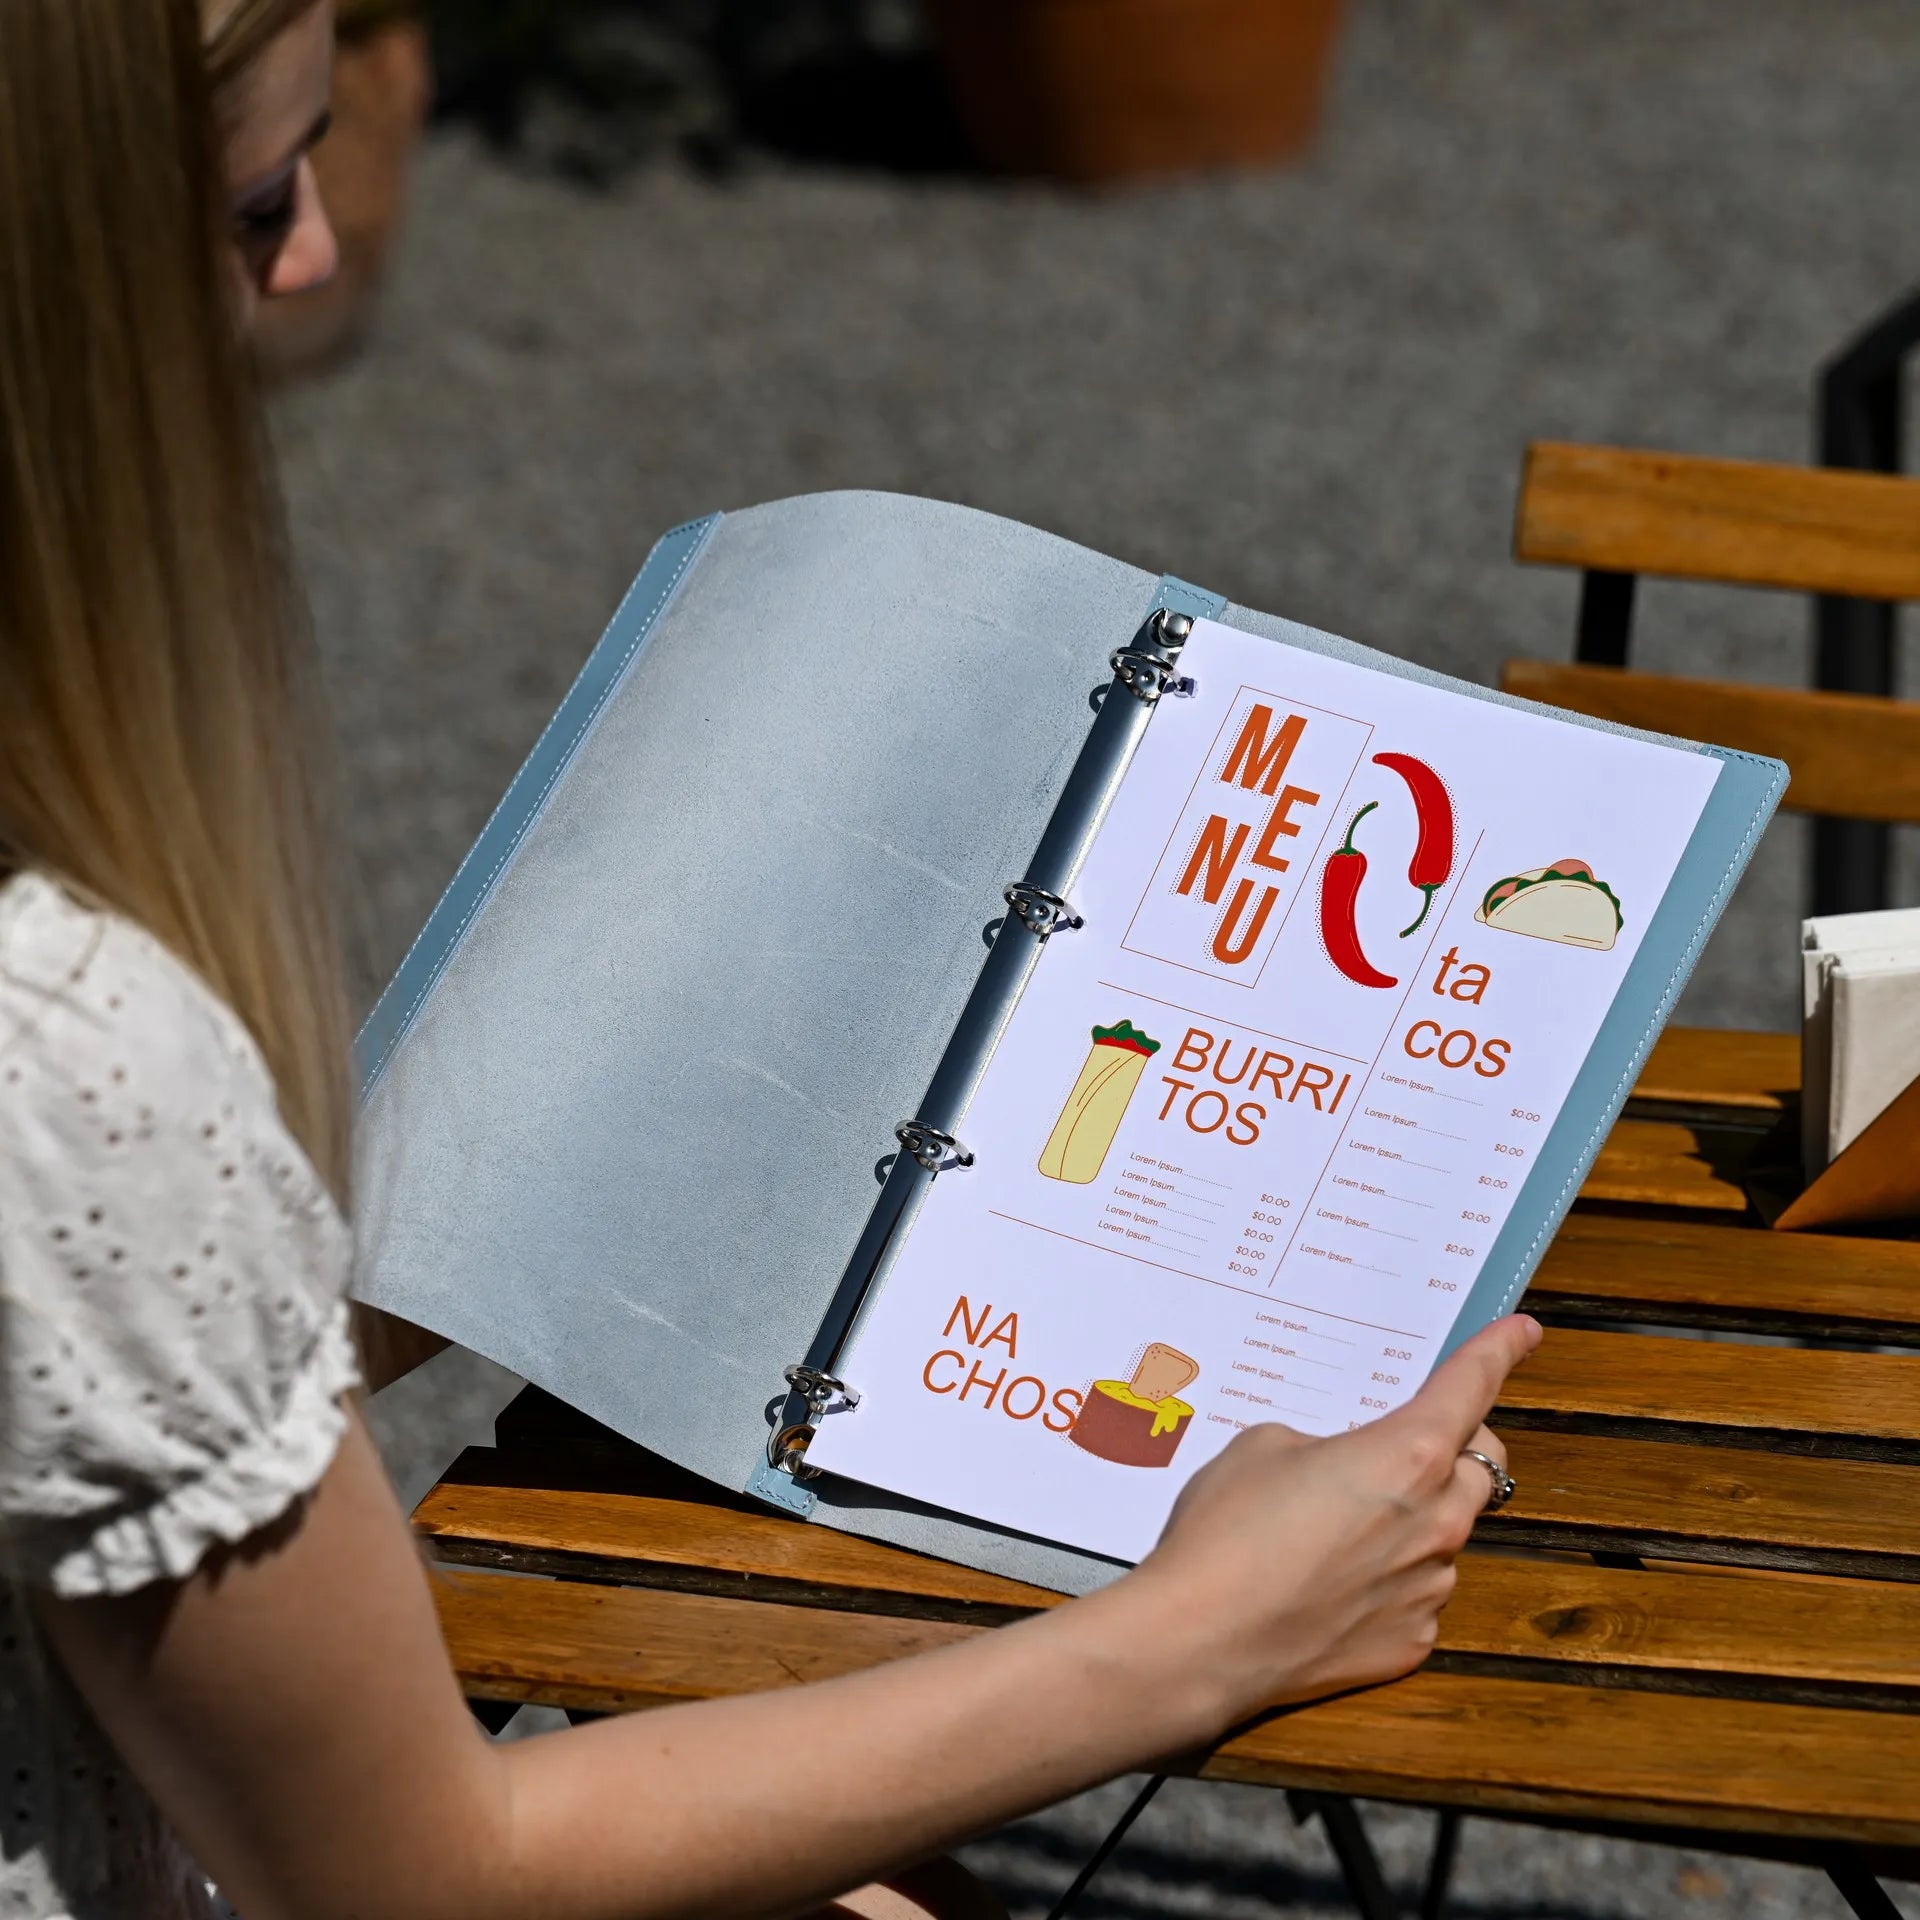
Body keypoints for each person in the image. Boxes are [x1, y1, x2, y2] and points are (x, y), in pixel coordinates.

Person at [0, 1, 1543, 1916]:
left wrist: (431, 1234)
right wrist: (1199, 1640)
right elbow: (417, 1883)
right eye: (247, 201)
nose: (317, 247)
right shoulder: (70, 1043)